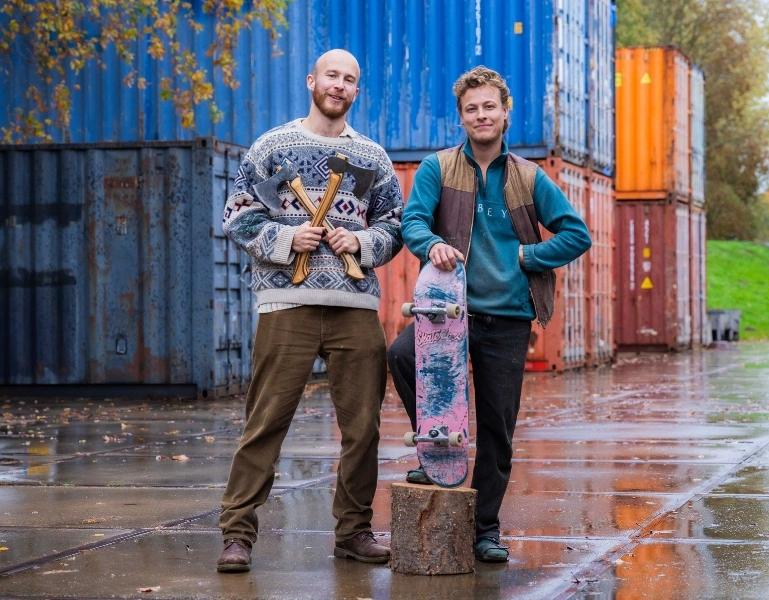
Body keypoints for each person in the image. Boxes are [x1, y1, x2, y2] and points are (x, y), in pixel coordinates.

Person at [387, 66, 591, 563]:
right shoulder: (438, 168)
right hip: (448, 313)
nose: (481, 115)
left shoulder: (527, 176)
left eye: (489, 107)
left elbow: (576, 234)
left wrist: (528, 258)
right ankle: (435, 450)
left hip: (507, 318)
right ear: (461, 117)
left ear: (505, 112)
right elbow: (412, 220)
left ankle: (486, 530)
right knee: (399, 356)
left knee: (498, 426)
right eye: (471, 108)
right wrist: (431, 243)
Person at [217, 49, 404, 572]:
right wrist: (286, 236)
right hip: (286, 304)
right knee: (266, 422)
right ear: (311, 81)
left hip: (353, 307)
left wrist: (361, 243)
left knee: (363, 427)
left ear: (356, 90)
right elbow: (236, 216)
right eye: (331, 76)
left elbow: (395, 227)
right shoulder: (272, 148)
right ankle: (237, 535)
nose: (339, 85)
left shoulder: (372, 158)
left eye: (349, 79)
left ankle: (354, 532)